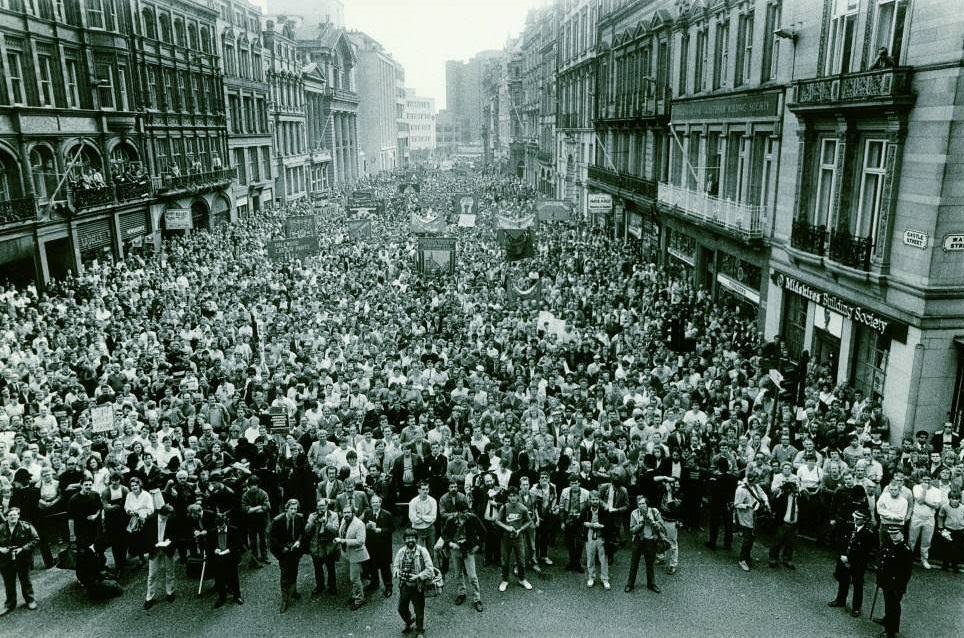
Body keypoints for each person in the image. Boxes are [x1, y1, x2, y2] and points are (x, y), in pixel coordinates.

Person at [829, 509, 877, 617]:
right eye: (855, 517)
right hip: (844, 558)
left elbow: (864, 552)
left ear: (864, 520)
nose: (855, 520)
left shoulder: (868, 534)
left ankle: (856, 608)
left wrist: (849, 560)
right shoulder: (849, 527)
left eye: (858, 519)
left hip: (857, 563)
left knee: (857, 584)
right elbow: (841, 541)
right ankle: (840, 600)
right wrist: (842, 556)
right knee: (843, 580)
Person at [392, 528, 435, 638]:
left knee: (419, 609)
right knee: (401, 608)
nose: (410, 540)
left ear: (416, 539)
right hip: (405, 585)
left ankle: (420, 630)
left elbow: (430, 569)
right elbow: (395, 566)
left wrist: (418, 576)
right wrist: (397, 572)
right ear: (404, 540)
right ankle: (409, 621)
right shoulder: (401, 552)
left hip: (418, 586)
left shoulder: (422, 551)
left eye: (412, 538)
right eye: (408, 538)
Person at [874, 527, 913, 638]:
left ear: (902, 534)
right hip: (886, 581)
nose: (893, 536)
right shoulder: (889, 544)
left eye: (896, 534)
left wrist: (900, 587)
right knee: (888, 605)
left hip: (896, 584)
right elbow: (881, 557)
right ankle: (887, 620)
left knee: (893, 607)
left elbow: (906, 572)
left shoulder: (905, 550)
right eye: (891, 534)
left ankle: (890, 631)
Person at [0, 508, 39, 615]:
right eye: (10, 515)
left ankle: (30, 600)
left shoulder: (26, 526)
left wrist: (22, 548)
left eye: (15, 515)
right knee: (9, 582)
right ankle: (9, 604)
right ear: (6, 517)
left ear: (18, 516)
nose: (13, 517)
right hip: (5, 559)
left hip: (22, 558)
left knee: (25, 580)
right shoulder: (1, 528)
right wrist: (1, 549)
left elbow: (35, 539)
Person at [269, 499, 305, 612]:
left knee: (294, 571)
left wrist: (298, 541)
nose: (293, 511)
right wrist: (282, 548)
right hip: (283, 552)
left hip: (294, 551)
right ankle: (285, 600)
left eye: (295, 509)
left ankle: (293, 591)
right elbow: (272, 538)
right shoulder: (277, 520)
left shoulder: (299, 518)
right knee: (285, 575)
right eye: (291, 509)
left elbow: (301, 532)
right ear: (287, 509)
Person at [496, 486, 533, 593]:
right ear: (508, 497)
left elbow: (529, 521)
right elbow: (497, 521)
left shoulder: (522, 508)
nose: (512, 498)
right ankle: (505, 580)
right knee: (505, 560)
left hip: (518, 538)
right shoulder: (504, 507)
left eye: (515, 496)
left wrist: (520, 529)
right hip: (506, 538)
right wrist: (507, 527)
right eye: (510, 496)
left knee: (521, 560)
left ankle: (522, 579)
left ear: (518, 496)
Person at [733, 470, 770, 572]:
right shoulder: (741, 489)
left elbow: (762, 494)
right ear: (751, 479)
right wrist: (747, 506)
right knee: (747, 538)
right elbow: (736, 504)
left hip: (754, 515)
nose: (757, 483)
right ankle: (742, 559)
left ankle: (747, 556)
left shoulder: (755, 486)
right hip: (746, 516)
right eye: (755, 480)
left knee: (752, 537)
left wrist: (766, 502)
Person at [334, 504, 369, 610]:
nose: (346, 514)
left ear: (353, 513)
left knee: (355, 578)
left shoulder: (359, 524)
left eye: (348, 512)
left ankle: (359, 600)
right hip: (346, 554)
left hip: (357, 554)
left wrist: (343, 541)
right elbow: (342, 533)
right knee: (352, 577)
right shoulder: (344, 521)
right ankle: (355, 595)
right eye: (344, 512)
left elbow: (360, 541)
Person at [625, 494, 662, 593]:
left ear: (647, 504)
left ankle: (652, 584)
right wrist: (640, 524)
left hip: (650, 540)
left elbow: (661, 526)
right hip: (638, 540)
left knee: (650, 564)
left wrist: (653, 522)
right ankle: (630, 584)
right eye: (639, 504)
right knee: (634, 563)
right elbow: (632, 530)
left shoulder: (654, 511)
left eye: (643, 503)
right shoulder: (634, 513)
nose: (641, 506)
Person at [143, 504, 177, 609]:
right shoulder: (150, 520)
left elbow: (175, 535)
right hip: (154, 550)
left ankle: (170, 592)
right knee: (152, 574)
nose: (167, 519)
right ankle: (149, 597)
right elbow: (145, 536)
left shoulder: (171, 520)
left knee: (170, 571)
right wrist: (151, 547)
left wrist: (169, 541)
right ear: (162, 514)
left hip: (167, 549)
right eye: (166, 517)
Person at [304, 498, 340, 596]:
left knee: (331, 568)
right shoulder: (312, 515)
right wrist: (312, 522)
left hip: (329, 546)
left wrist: (326, 523)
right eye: (319, 506)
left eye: (323, 506)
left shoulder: (333, 515)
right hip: (317, 546)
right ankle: (320, 586)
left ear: (326, 505)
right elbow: (307, 531)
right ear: (317, 506)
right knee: (317, 568)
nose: (321, 508)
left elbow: (335, 531)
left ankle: (332, 586)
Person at [208, 511, 243, 608]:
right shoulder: (212, 532)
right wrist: (215, 549)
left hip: (231, 557)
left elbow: (238, 544)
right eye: (218, 527)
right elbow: (208, 546)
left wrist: (228, 550)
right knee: (219, 579)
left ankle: (237, 595)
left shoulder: (234, 530)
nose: (220, 528)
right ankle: (222, 597)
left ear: (226, 522)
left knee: (234, 578)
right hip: (218, 559)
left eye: (222, 526)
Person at [363, 494, 395, 597]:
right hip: (371, 545)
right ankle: (374, 583)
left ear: (380, 503)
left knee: (385, 567)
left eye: (377, 502)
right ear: (370, 504)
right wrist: (366, 527)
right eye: (373, 502)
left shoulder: (387, 514)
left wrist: (380, 530)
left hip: (383, 546)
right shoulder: (367, 513)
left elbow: (392, 529)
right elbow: (363, 525)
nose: (375, 504)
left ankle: (388, 586)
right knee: (372, 566)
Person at [580, 491, 611, 589]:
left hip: (601, 535)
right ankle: (591, 577)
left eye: (597, 499)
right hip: (589, 534)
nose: (595, 501)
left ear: (599, 500)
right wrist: (586, 524)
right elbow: (580, 521)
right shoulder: (586, 510)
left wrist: (601, 525)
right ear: (590, 500)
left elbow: (610, 525)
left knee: (603, 558)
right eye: (593, 499)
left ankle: (605, 578)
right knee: (590, 556)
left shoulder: (604, 510)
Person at [241, 476, 271, 567]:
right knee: (253, 541)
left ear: (258, 485)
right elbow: (245, 509)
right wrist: (259, 507)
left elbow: (267, 507)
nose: (253, 487)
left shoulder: (263, 493)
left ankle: (265, 557)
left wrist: (252, 509)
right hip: (251, 522)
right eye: (251, 485)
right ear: (249, 486)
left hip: (262, 520)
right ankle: (254, 558)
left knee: (263, 540)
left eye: (255, 484)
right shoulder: (245, 495)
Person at [408, 481, 438, 560]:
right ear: (419, 490)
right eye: (423, 489)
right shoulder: (413, 502)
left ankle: (430, 570)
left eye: (427, 489)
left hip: (430, 529)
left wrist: (420, 516)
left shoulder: (433, 501)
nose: (425, 491)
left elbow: (433, 518)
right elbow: (413, 519)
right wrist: (426, 518)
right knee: (418, 552)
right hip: (417, 530)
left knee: (431, 552)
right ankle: (418, 570)